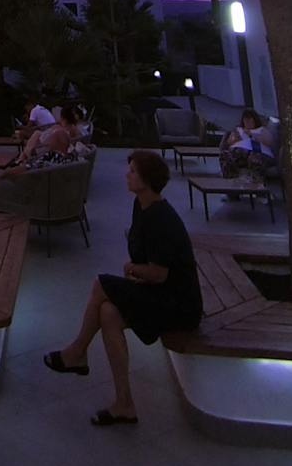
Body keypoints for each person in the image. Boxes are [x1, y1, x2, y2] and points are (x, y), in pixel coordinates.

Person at [44, 149, 202, 425]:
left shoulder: (161, 218)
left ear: (147, 180)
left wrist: (132, 269)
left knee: (101, 284)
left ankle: (77, 352)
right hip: (159, 292)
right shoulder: (141, 206)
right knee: (108, 313)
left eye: (132, 172)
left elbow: (159, 274)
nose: (126, 175)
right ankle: (124, 404)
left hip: (178, 304)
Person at [219, 107, 275, 183]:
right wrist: (235, 139)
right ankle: (231, 181)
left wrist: (252, 134)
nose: (248, 122)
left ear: (255, 120)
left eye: (250, 120)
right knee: (225, 155)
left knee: (254, 157)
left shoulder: (261, 130)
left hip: (257, 152)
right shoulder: (238, 129)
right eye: (245, 120)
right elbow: (228, 143)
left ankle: (257, 182)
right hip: (238, 153)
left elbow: (269, 141)